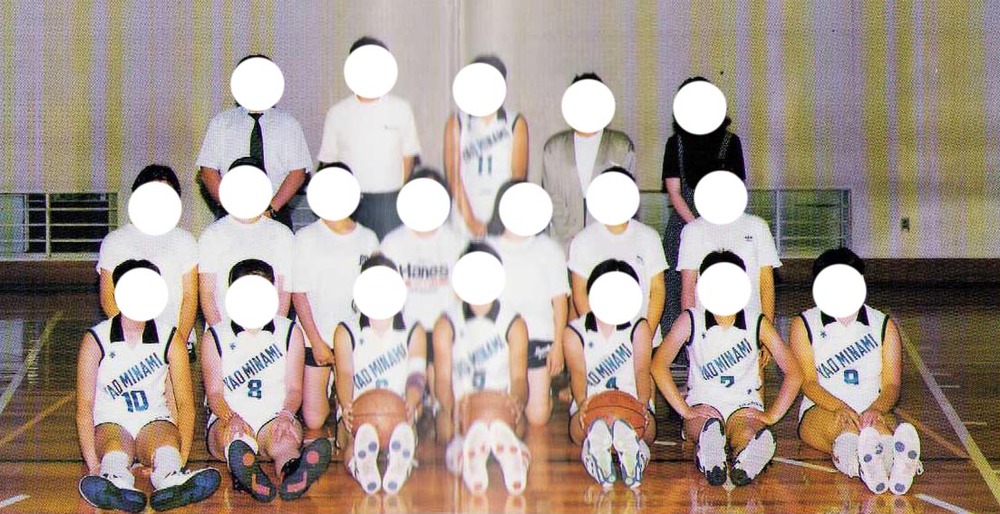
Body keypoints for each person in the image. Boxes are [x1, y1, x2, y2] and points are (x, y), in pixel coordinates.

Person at [76, 260, 220, 513]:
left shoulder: (170, 338)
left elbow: (185, 405)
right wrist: (93, 465)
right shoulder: (96, 339)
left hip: (152, 420)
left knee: (165, 443)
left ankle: (171, 477)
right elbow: (84, 407)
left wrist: (180, 457)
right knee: (114, 448)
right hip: (111, 422)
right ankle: (114, 479)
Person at [651, 251, 801, 486]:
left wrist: (772, 415)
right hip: (703, 406)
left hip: (744, 406)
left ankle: (747, 459)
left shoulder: (757, 321)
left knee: (748, 436)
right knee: (706, 429)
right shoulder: (691, 319)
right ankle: (710, 452)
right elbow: (658, 365)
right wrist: (684, 410)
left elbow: (794, 372)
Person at [791, 248, 921, 495]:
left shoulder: (883, 325)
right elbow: (808, 382)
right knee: (847, 430)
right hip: (823, 408)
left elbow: (892, 385)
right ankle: (864, 467)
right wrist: (840, 407)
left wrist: (877, 409)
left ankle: (897, 466)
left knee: (878, 432)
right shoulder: (804, 324)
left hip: (873, 406)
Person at [202, 259, 331, 503]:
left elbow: (294, 389)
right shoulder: (215, 335)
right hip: (230, 415)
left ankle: (293, 471)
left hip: (273, 415)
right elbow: (215, 393)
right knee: (234, 439)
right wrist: (230, 417)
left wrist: (286, 415)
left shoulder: (289, 331)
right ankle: (246, 469)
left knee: (286, 439)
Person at [433, 242, 530, 495]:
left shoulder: (514, 323)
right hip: (463, 402)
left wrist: (516, 402)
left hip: (499, 400)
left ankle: (514, 456)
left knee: (521, 423)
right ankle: (469, 458)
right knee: (443, 427)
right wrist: (453, 409)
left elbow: (519, 379)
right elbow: (442, 380)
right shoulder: (446, 323)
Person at [291, 162, 379, 435]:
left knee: (354, 414)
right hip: (317, 338)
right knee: (314, 420)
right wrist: (316, 342)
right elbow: (299, 293)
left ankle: (346, 417)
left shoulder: (369, 238)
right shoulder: (305, 238)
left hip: (353, 340)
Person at [333, 255, 427, 495]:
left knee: (406, 431)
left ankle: (400, 462)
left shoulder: (413, 329)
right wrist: (346, 405)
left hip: (399, 405)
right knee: (351, 439)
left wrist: (412, 401)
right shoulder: (346, 330)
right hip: (359, 405)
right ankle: (360, 467)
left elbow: (417, 376)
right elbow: (344, 373)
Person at [660, 76, 746, 326]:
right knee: (676, 292)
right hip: (683, 226)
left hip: (724, 225)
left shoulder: (731, 142)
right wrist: (697, 225)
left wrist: (715, 224)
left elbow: (737, 188)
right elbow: (674, 193)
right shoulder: (674, 144)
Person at [316, 37, 422, 239]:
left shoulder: (401, 109)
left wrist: (397, 198)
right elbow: (328, 162)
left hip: (389, 204)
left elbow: (408, 157)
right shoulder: (337, 113)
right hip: (350, 204)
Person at [379, 167, 467, 408]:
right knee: (404, 405)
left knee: (444, 405)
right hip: (404, 333)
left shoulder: (457, 242)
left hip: (444, 333)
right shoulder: (392, 243)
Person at [564, 259, 654, 489]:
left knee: (649, 430)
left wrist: (643, 403)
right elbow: (577, 373)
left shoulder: (639, 327)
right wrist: (582, 403)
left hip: (631, 400)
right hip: (592, 400)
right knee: (577, 431)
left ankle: (624, 449)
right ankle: (601, 445)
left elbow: (642, 370)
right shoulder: (575, 331)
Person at [486, 179, 569, 425]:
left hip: (538, 337)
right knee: (500, 413)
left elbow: (560, 301)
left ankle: (544, 394)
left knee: (537, 418)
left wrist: (558, 346)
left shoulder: (550, 249)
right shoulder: (487, 247)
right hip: (499, 341)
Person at [197, 54, 312, 229]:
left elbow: (298, 172)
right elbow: (207, 171)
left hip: (275, 214)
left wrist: (271, 209)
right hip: (230, 218)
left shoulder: (288, 124)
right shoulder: (221, 123)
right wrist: (231, 208)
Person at [97, 165, 198, 358]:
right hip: (129, 346)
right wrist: (130, 339)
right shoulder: (115, 241)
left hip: (177, 342)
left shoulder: (185, 240)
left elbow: (190, 297)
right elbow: (108, 297)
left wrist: (175, 345)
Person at [568, 167, 668, 347]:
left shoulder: (649, 237)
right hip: (600, 346)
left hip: (645, 341)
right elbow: (580, 293)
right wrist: (600, 338)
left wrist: (644, 338)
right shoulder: (583, 241)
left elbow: (658, 290)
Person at [542, 73, 636, 253]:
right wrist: (573, 239)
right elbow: (552, 198)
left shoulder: (621, 146)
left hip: (608, 244)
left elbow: (625, 198)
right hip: (563, 245)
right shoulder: (553, 148)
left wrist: (599, 237)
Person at [197, 167, 295, 326]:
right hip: (223, 329)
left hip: (270, 330)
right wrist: (221, 334)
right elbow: (207, 294)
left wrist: (275, 332)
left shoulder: (283, 234)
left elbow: (284, 292)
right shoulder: (211, 235)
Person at [445, 55, 528, 239]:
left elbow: (517, 177)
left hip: (501, 216)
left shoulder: (515, 122)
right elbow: (453, 175)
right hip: (464, 215)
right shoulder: (457, 122)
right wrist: (471, 222)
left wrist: (496, 221)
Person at [676, 178, 780, 322]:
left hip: (751, 322)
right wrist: (691, 330)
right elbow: (688, 289)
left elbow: (767, 286)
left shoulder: (758, 226)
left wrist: (765, 329)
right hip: (706, 325)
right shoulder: (692, 230)